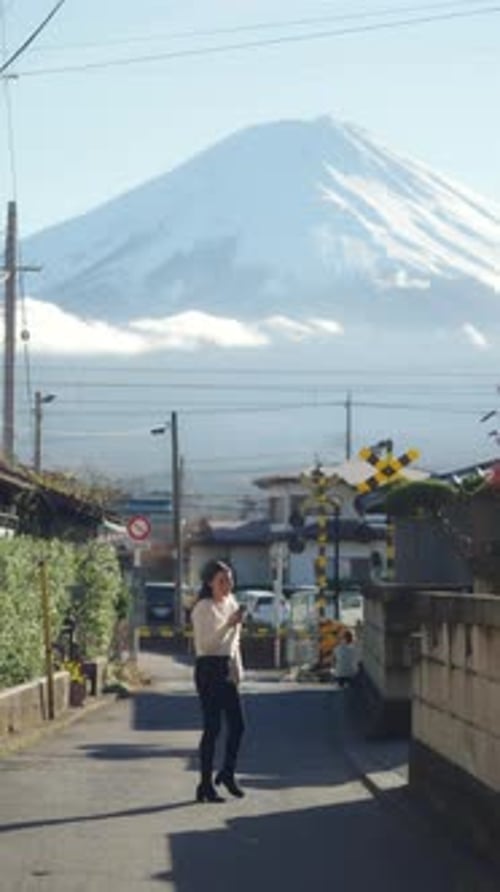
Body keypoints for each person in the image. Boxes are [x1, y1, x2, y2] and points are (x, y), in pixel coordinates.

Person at [190, 559, 246, 803]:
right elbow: (206, 645)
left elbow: (235, 641)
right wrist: (228, 624)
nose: (228, 584)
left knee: (238, 725)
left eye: (230, 579)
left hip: (226, 667)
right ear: (209, 582)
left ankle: (227, 772)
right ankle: (204, 785)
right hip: (209, 668)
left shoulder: (231, 602)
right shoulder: (204, 607)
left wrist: (238, 669)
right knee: (212, 728)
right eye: (222, 580)